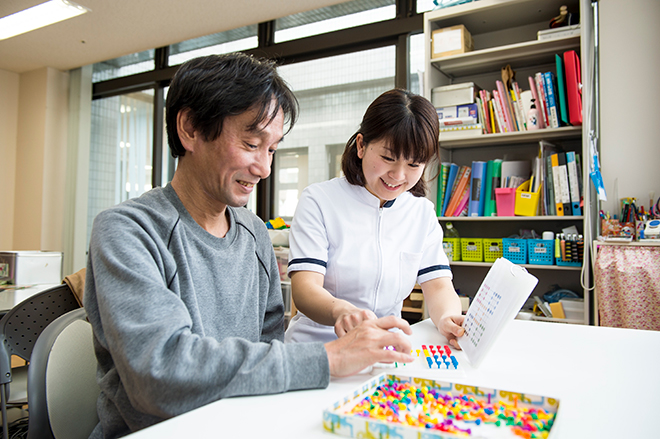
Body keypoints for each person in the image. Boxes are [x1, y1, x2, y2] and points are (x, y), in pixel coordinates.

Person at [83, 53, 414, 439]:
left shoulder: (254, 233)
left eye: (271, 149)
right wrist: (329, 358)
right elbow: (161, 374)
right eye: (251, 143)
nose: (264, 168)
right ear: (190, 128)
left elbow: (268, 350)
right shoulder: (127, 231)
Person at [285, 89, 464, 347]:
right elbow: (304, 289)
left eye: (414, 165)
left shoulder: (421, 213)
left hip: (384, 349)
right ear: (361, 146)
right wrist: (341, 312)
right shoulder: (319, 201)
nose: (398, 175)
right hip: (319, 347)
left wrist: (448, 317)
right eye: (388, 158)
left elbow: (438, 286)